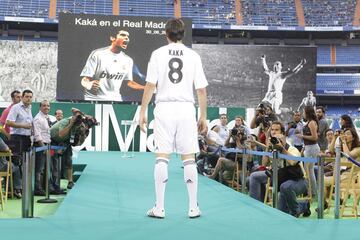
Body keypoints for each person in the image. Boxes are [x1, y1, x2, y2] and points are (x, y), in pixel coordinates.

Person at [139, 18, 208, 219]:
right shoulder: (193, 55)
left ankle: (159, 208)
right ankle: (193, 207)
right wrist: (203, 115)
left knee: (162, 157)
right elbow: (201, 89)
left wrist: (142, 111)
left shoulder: (158, 54)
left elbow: (150, 85)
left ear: (166, 34)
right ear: (183, 34)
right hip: (186, 108)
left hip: (164, 108)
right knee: (189, 158)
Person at [80, 30, 144, 101]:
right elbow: (84, 80)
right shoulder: (97, 54)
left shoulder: (128, 60)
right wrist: (89, 84)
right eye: (123, 35)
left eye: (128, 36)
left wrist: (145, 88)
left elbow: (129, 83)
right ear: (112, 38)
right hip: (94, 99)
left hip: (115, 99)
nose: (127, 38)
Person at [296, 106, 320, 197]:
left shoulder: (312, 123)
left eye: (304, 111)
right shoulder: (311, 122)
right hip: (309, 147)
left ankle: (313, 192)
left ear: (307, 112)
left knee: (309, 171)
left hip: (312, 148)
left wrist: (302, 136)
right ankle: (312, 191)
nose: (303, 113)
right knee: (309, 171)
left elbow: (314, 137)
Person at [6, 90, 34, 165]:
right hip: (17, 138)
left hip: (27, 138)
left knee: (25, 162)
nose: (29, 99)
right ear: (22, 97)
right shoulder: (16, 107)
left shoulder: (29, 108)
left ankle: (23, 177)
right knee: (16, 162)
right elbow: (8, 122)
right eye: (27, 96)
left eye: (30, 97)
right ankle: (15, 177)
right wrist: (23, 126)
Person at [33, 100, 51, 196]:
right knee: (39, 169)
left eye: (48, 106)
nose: (46, 107)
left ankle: (43, 187)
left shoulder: (46, 118)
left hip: (46, 144)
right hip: (40, 145)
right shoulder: (38, 118)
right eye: (44, 106)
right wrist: (43, 148)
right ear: (40, 107)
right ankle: (37, 189)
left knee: (43, 168)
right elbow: (37, 135)